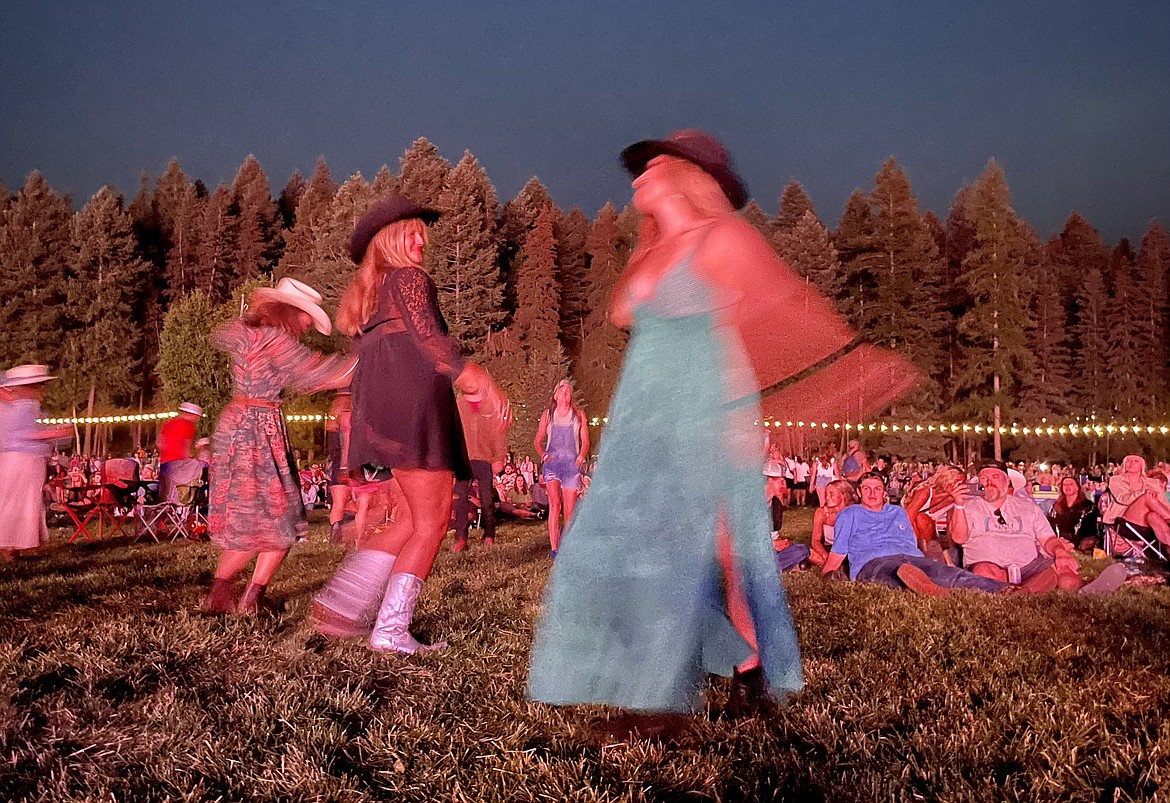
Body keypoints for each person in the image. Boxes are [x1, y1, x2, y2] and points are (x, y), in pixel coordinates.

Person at [528, 130, 806, 739]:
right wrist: (654, 238)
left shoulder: (725, 238)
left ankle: (670, 700)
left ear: (686, 173)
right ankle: (740, 666)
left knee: (711, 556)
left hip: (701, 412)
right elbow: (622, 312)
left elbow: (772, 319)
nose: (636, 177)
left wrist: (738, 423)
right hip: (644, 416)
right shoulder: (656, 247)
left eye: (650, 166)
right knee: (645, 553)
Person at [315, 195, 509, 653]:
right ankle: (389, 631)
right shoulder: (408, 277)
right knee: (431, 522)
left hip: (382, 409)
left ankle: (342, 604)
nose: (422, 240)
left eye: (424, 231)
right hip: (413, 408)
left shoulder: (374, 293)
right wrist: (477, 377)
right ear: (390, 240)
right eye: (412, 232)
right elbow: (428, 337)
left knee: (407, 519)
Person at [202, 278, 358, 615]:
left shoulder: (251, 335)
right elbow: (319, 373)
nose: (307, 325)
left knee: (248, 518)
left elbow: (221, 333)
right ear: (292, 312)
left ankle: (220, 594)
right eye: (306, 317)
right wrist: (367, 360)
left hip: (236, 424)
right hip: (258, 429)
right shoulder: (276, 341)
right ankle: (251, 598)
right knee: (280, 521)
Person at [948, 461, 1126, 594]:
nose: (988, 483)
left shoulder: (1027, 506)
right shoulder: (968, 506)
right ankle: (1026, 591)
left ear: (1007, 481)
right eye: (984, 478)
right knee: (985, 573)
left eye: (995, 477)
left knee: (1066, 578)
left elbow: (1047, 538)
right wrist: (959, 504)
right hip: (991, 566)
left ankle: (1087, 589)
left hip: (1030, 566)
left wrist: (1060, 552)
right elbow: (959, 538)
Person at [821, 473, 1014, 595]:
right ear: (860, 493)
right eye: (867, 489)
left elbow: (910, 542)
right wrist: (827, 574)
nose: (872, 494)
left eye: (877, 489)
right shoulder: (850, 513)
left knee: (950, 573)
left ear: (884, 493)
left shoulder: (896, 512)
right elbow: (838, 551)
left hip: (911, 557)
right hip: (875, 559)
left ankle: (1003, 589)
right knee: (892, 575)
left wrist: (926, 558)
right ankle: (928, 587)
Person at [1, 366, 73, 562]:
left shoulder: (21, 406)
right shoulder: (22, 407)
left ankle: (13, 547)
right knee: (20, 502)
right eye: (38, 384)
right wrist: (56, 433)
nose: (42, 388)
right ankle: (10, 545)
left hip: (23, 458)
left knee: (20, 502)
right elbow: (22, 434)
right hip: (22, 459)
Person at [534, 379, 589, 558]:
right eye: (562, 392)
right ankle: (555, 548)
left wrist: (581, 457)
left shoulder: (578, 415)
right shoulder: (548, 415)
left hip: (571, 466)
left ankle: (569, 546)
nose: (565, 395)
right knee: (554, 504)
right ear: (556, 395)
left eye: (568, 392)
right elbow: (537, 440)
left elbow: (585, 441)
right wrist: (543, 454)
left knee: (570, 511)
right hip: (553, 465)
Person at [453, 389, 509, 551]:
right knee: (462, 498)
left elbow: (498, 432)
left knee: (487, 498)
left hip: (484, 458)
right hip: (464, 458)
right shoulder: (459, 405)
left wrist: (499, 457)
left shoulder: (488, 406)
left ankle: (489, 534)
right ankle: (461, 537)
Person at [1102, 454, 1170, 548]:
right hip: (1124, 521)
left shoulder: (1154, 483)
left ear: (1142, 465)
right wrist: (1143, 492)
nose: (1132, 463)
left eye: (1136, 461)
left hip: (1147, 523)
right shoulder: (1116, 480)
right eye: (1129, 460)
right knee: (1147, 497)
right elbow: (1123, 498)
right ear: (1124, 464)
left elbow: (1164, 505)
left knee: (1153, 516)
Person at [325, 389, 353, 545]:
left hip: (337, 460)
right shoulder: (349, 408)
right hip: (348, 460)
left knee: (339, 502)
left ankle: (336, 534)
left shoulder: (334, 410)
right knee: (360, 500)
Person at [809, 479, 856, 567]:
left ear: (843, 495)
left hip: (848, 550)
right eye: (826, 494)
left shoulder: (854, 511)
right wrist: (826, 557)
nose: (827, 497)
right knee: (809, 553)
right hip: (829, 549)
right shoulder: (822, 513)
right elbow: (815, 541)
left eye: (831, 494)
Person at [1048, 476, 1099, 554]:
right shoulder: (1056, 506)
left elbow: (1088, 530)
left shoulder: (1088, 506)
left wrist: (1072, 545)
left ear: (1077, 487)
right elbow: (1051, 525)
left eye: (1070, 484)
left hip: (1081, 546)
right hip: (1059, 544)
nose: (1067, 487)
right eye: (1064, 485)